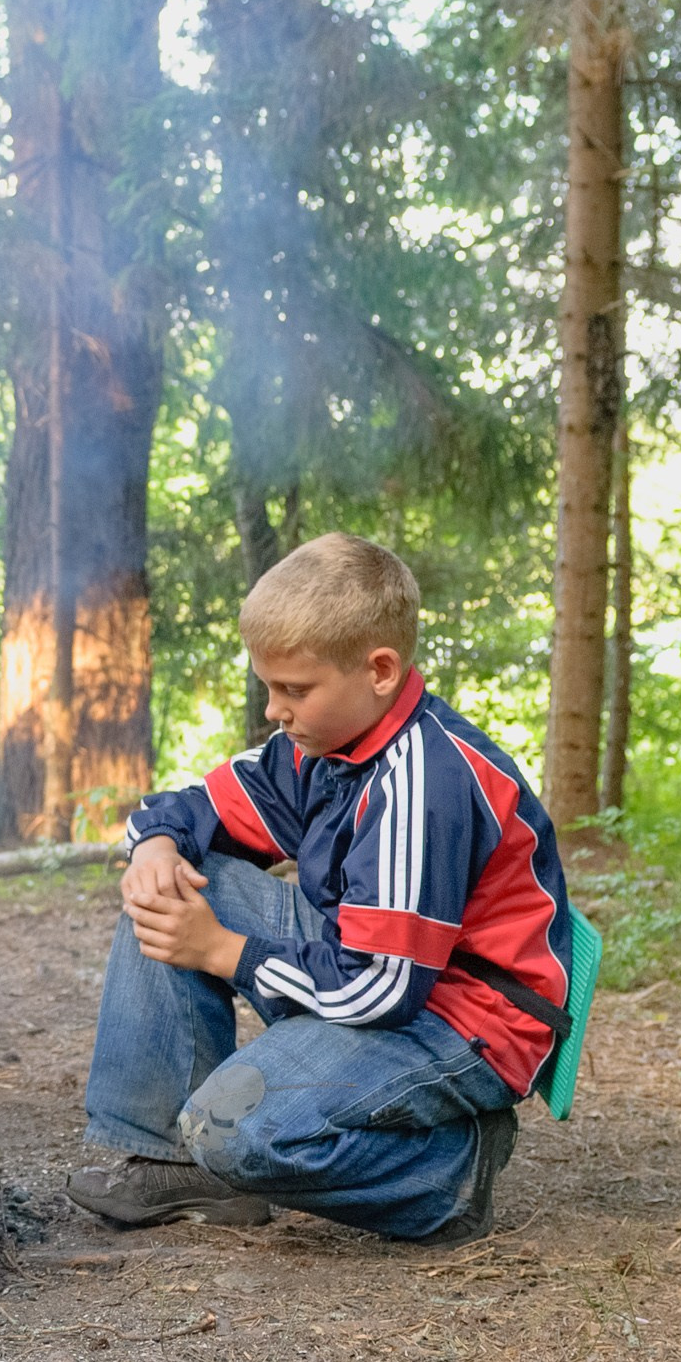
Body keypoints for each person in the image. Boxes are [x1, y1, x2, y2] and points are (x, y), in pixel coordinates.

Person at [66, 533, 576, 1246]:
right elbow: (197, 807)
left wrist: (225, 952)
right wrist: (154, 845)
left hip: (463, 1017)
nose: (275, 710)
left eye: (294, 690)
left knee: (235, 1131)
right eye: (269, 687)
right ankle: (170, 1160)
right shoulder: (324, 747)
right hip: (379, 971)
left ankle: (449, 1172)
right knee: (175, 890)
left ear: (379, 670)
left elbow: (381, 989)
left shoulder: (421, 784)